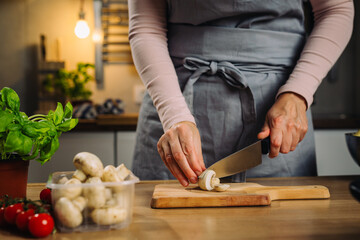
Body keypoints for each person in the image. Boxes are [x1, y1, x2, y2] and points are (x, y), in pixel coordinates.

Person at [128, 0, 354, 186]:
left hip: (278, 112)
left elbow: (335, 8)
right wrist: (174, 115)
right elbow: (146, 27)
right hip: (174, 102)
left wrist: (298, 93)